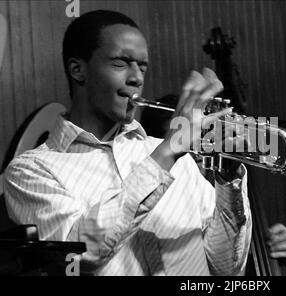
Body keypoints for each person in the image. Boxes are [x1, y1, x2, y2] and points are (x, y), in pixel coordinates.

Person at [3, 10, 252, 276]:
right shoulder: (29, 171)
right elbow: (79, 253)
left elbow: (226, 270)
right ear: (78, 70)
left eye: (142, 66)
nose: (137, 78)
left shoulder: (180, 162)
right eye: (121, 63)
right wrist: (166, 153)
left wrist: (229, 182)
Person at [143, 95, 286, 276]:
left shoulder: (231, 205)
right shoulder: (151, 209)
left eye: (206, 135)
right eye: (184, 139)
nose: (201, 147)